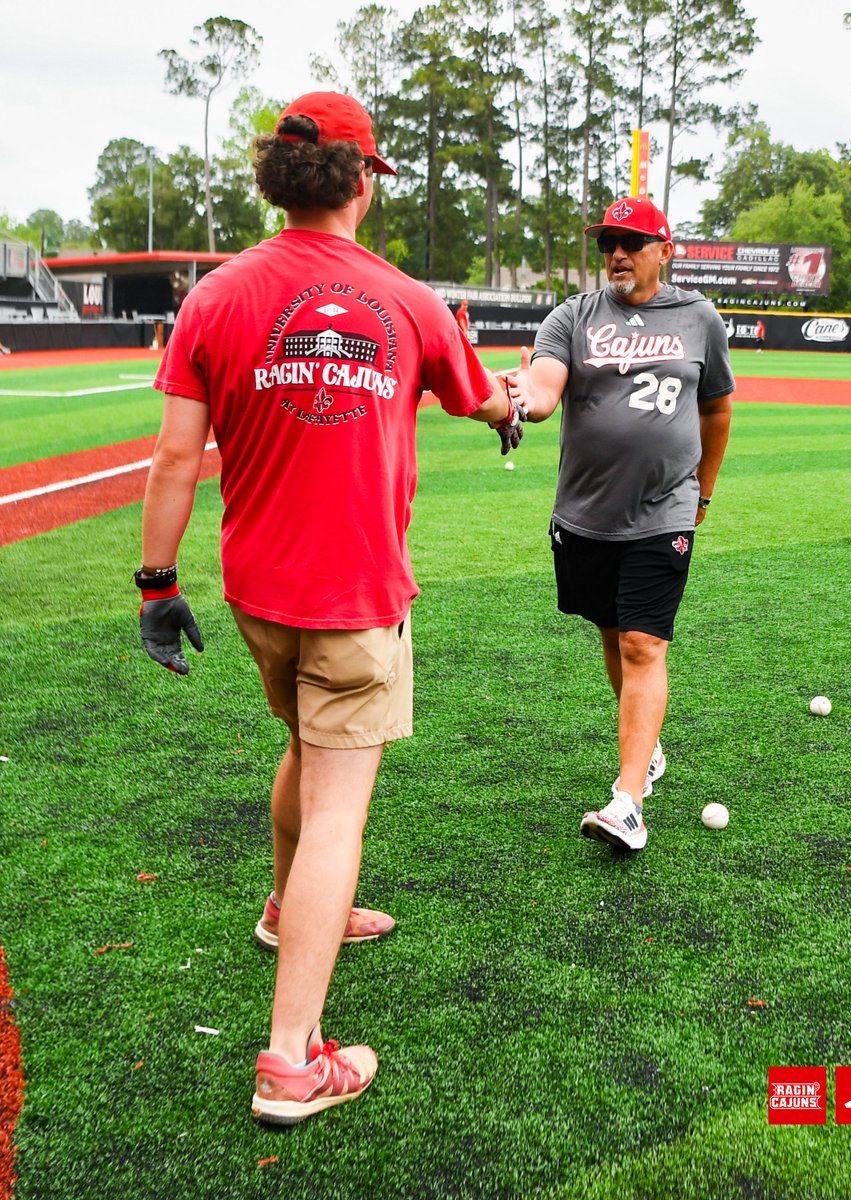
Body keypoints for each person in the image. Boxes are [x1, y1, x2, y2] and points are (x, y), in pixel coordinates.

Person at [135, 91, 524, 1126]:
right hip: (354, 599)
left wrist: (155, 584)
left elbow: (176, 455)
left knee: (306, 750)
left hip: (258, 594)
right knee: (342, 805)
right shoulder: (407, 299)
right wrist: (511, 410)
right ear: (363, 180)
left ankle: (289, 908)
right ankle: (291, 1063)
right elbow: (485, 399)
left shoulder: (217, 297)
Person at [506, 196, 733, 853]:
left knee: (643, 644)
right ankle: (648, 748)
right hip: (585, 515)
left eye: (633, 241)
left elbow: (716, 411)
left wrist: (704, 496)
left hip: (665, 509)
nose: (617, 253)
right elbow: (546, 392)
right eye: (609, 241)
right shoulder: (572, 317)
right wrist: (523, 394)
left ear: (666, 249)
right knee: (613, 634)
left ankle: (628, 800)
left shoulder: (699, 319)